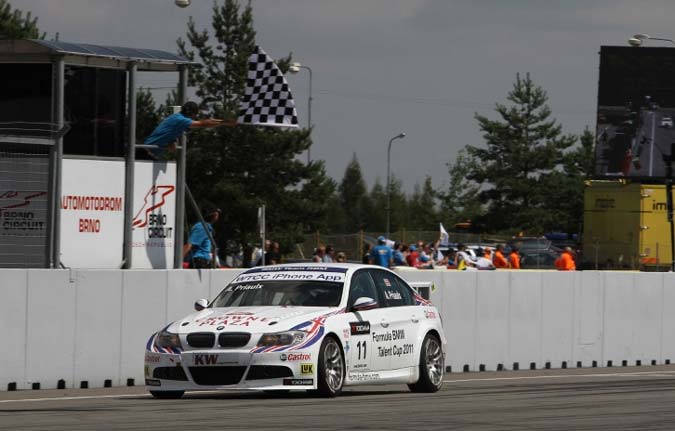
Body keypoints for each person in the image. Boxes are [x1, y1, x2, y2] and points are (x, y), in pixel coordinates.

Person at [144, 101, 231, 157]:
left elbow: (167, 134)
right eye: (195, 114)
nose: (194, 117)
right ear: (191, 113)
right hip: (146, 152)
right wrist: (224, 122)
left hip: (150, 152)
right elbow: (203, 124)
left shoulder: (176, 118)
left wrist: (172, 142)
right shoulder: (181, 120)